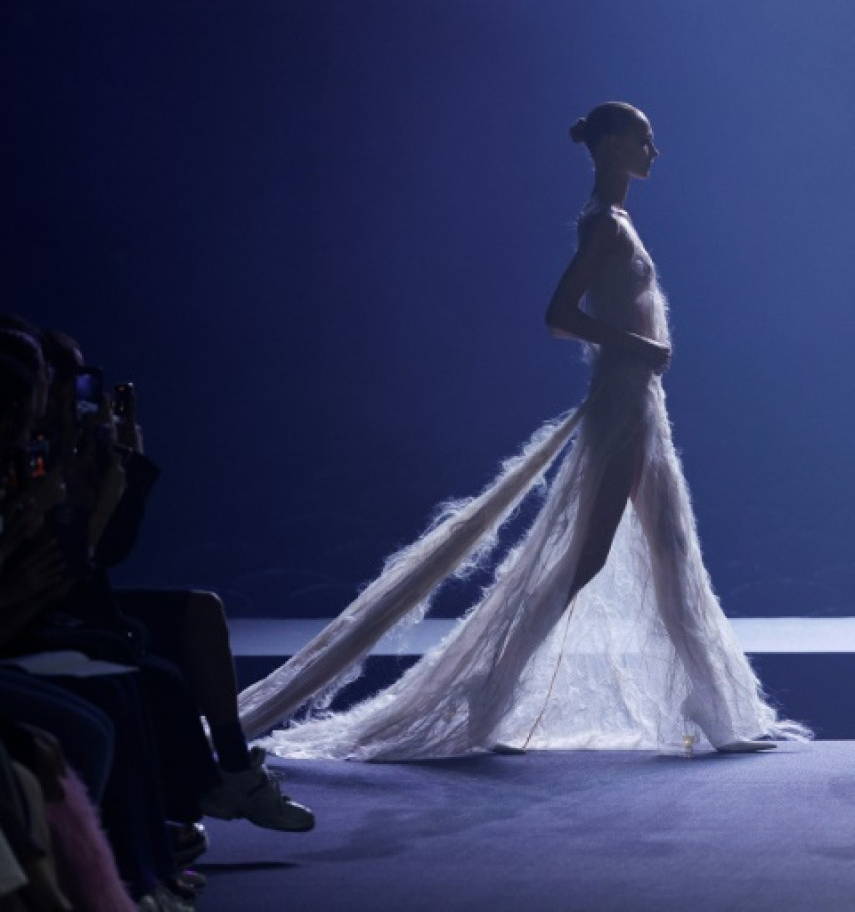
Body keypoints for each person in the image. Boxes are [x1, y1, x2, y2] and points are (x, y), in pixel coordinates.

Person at [238, 102, 811, 760]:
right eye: (643, 139)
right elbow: (559, 314)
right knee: (588, 558)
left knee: (671, 553)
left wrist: (640, 355)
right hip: (621, 405)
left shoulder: (618, 222)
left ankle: (715, 706)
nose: (654, 150)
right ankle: (486, 693)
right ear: (613, 146)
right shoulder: (604, 226)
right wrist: (636, 345)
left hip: (638, 404)